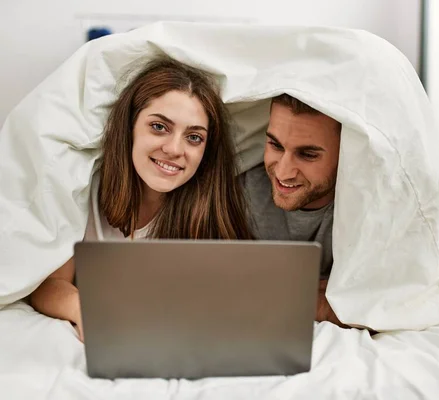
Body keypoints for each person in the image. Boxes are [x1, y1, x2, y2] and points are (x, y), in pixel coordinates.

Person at [30, 57, 253, 341]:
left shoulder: (212, 206)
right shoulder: (83, 189)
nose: (174, 149)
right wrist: (83, 310)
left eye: (194, 137)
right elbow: (49, 283)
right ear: (130, 127)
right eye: (159, 127)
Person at [242, 94, 345, 327]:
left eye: (307, 154)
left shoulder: (373, 208)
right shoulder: (240, 190)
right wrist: (321, 300)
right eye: (275, 145)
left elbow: (392, 302)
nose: (283, 172)